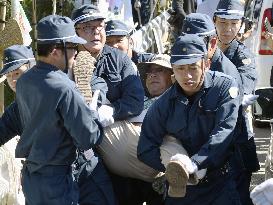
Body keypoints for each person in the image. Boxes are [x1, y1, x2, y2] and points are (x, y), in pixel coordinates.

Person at [12, 15, 106, 205]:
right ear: (55, 51)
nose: (76, 53)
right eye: (72, 47)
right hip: (56, 181)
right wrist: (95, 115)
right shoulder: (64, 87)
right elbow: (88, 138)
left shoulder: (24, 81)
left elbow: (12, 121)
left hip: (31, 178)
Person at [137, 34, 241, 205]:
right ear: (172, 70)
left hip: (219, 184)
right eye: (180, 69)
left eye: (193, 68)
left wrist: (195, 163)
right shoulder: (163, 105)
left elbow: (225, 131)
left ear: (206, 64)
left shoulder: (224, 87)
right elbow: (145, 149)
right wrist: (174, 164)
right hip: (183, 191)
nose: (187, 76)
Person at [214, 1, 259, 204]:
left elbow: (243, 87)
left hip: (236, 138)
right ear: (214, 21)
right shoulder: (203, 49)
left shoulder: (244, 56)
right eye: (223, 22)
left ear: (241, 24)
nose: (228, 29)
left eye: (234, 23)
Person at [71, 4, 144, 123]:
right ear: (75, 33)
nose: (96, 32)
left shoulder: (120, 59)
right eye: (87, 27)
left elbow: (135, 101)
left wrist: (111, 110)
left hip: (115, 123)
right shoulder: (67, 59)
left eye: (100, 26)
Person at [0, 45, 35, 205]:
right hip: (40, 179)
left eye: (17, 73)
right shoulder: (15, 110)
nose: (13, 81)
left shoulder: (57, 92)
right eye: (8, 76)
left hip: (76, 172)